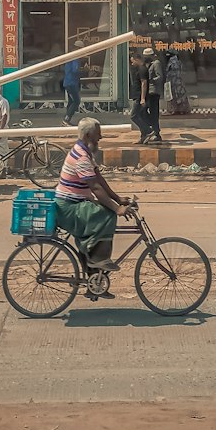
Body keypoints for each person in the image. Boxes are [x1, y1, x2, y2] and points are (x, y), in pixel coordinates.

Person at [54, 118, 134, 270]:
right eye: (98, 134)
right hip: (69, 208)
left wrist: (118, 199)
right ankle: (96, 258)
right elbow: (96, 188)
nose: (100, 137)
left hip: (76, 203)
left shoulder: (85, 152)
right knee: (108, 214)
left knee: (106, 211)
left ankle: (93, 269)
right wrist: (117, 209)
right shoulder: (81, 158)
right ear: (89, 135)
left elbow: (99, 179)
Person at [129, 49, 151, 143]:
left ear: (137, 59)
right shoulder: (139, 69)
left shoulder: (142, 69)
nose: (132, 63)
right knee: (141, 116)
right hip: (137, 96)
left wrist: (142, 98)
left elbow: (144, 83)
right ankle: (143, 137)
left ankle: (148, 130)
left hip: (139, 97)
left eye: (133, 61)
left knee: (133, 116)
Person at [142, 45, 164, 143]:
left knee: (154, 113)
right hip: (149, 92)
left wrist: (151, 80)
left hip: (154, 91)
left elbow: (160, 77)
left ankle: (156, 133)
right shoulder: (149, 64)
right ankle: (153, 129)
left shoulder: (156, 63)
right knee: (146, 111)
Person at [163, 49, 190, 115]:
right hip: (178, 81)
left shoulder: (172, 62)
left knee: (172, 96)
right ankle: (182, 110)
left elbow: (172, 73)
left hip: (173, 81)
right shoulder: (178, 61)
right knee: (180, 96)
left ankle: (173, 110)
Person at [62, 43, 82, 126]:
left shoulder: (70, 56)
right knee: (76, 101)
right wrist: (84, 70)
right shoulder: (75, 57)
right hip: (72, 83)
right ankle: (66, 119)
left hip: (67, 82)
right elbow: (75, 70)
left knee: (71, 101)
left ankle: (66, 119)